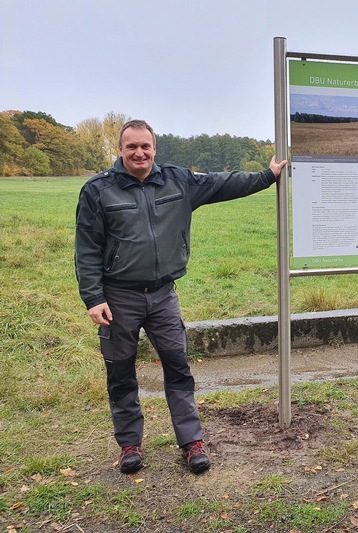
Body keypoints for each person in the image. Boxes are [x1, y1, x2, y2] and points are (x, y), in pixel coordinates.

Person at [75, 119, 287, 474]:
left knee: (178, 368)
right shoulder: (98, 190)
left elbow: (222, 182)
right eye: (132, 147)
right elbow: (87, 248)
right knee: (121, 372)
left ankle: (191, 442)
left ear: (154, 148)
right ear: (121, 150)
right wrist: (93, 298)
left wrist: (267, 176)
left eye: (145, 146)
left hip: (163, 296)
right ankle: (129, 444)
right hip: (118, 297)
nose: (139, 153)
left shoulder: (178, 180)